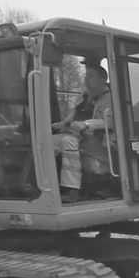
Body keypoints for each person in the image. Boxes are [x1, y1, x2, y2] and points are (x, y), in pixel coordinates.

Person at [51, 64, 113, 203]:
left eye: (91, 76)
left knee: (67, 142)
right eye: (86, 75)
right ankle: (45, 185)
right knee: (46, 141)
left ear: (103, 79)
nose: (86, 79)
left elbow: (108, 122)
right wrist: (61, 125)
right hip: (76, 135)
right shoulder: (83, 96)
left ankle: (72, 190)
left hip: (97, 139)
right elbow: (72, 117)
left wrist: (85, 124)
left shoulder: (109, 98)